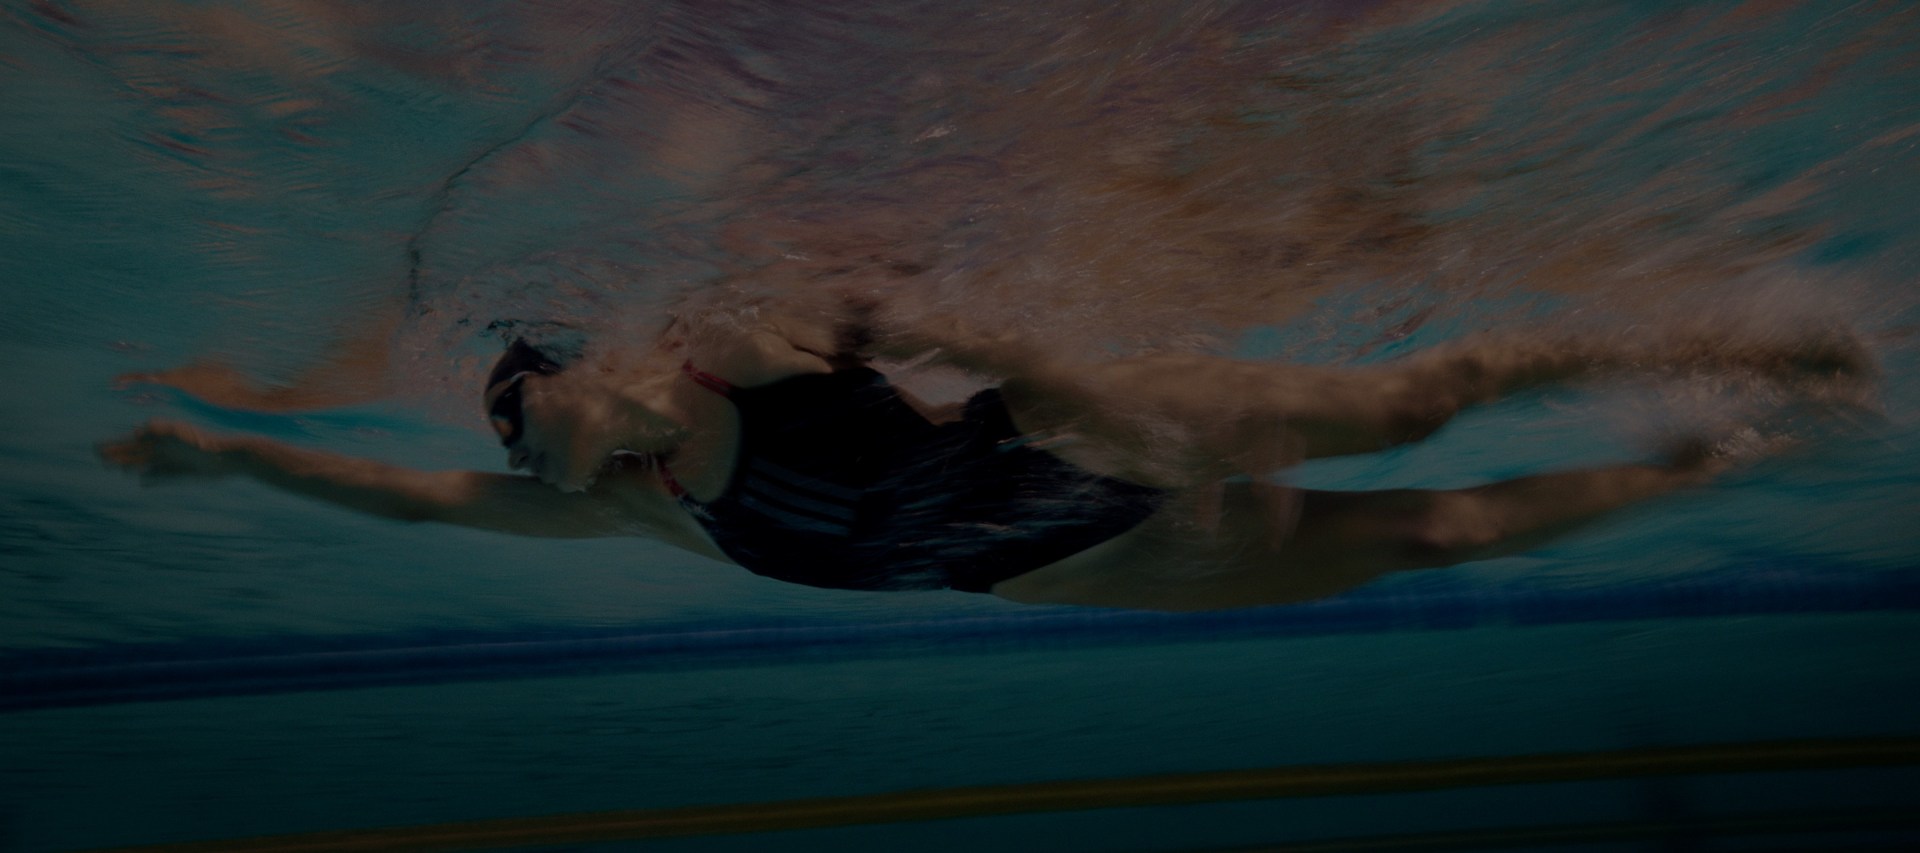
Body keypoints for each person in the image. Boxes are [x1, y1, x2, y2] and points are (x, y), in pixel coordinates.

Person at [99, 295, 1873, 610]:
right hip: (1082, 558)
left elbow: (912, 305)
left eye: (528, 418)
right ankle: (1738, 447)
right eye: (518, 448)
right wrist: (231, 462)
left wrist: (1019, 336)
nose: (520, 459)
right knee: (1437, 534)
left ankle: (1714, 331)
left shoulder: (737, 340)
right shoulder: (637, 521)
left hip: (1097, 430)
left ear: (589, 372)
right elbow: (400, 492)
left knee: (1422, 404)